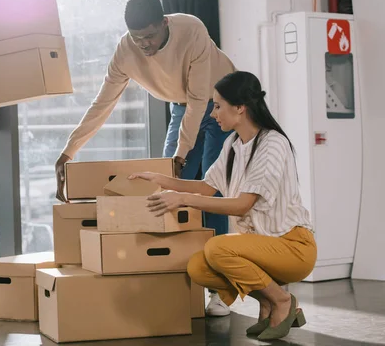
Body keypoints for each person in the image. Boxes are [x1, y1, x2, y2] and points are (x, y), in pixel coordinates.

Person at [54, 0, 235, 315]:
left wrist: (180, 154)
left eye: (150, 36)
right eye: (138, 39)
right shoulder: (126, 51)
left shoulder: (191, 29)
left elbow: (199, 100)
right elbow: (103, 103)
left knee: (210, 190)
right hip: (183, 107)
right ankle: (168, 275)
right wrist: (69, 151)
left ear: (164, 23)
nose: (145, 45)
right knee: (164, 189)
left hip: (220, 103)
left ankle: (218, 289)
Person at [130, 71, 317, 341]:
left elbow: (242, 206)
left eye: (218, 106)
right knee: (198, 267)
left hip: (292, 246)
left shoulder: (273, 144)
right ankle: (268, 300)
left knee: (217, 248)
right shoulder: (233, 144)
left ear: (240, 108)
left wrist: (182, 199)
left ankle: (282, 301)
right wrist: (162, 180)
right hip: (261, 245)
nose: (213, 114)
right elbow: (207, 186)